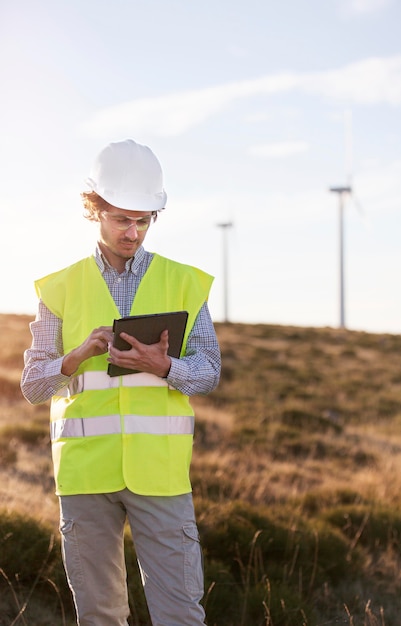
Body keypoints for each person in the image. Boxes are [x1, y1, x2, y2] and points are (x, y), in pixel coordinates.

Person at [20, 139, 221, 626]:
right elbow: (32, 384)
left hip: (161, 475)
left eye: (144, 220)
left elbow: (210, 371)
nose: (133, 231)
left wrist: (166, 367)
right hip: (86, 476)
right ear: (96, 211)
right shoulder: (59, 288)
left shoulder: (184, 283)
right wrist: (75, 357)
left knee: (180, 614)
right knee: (100, 615)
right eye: (122, 219)